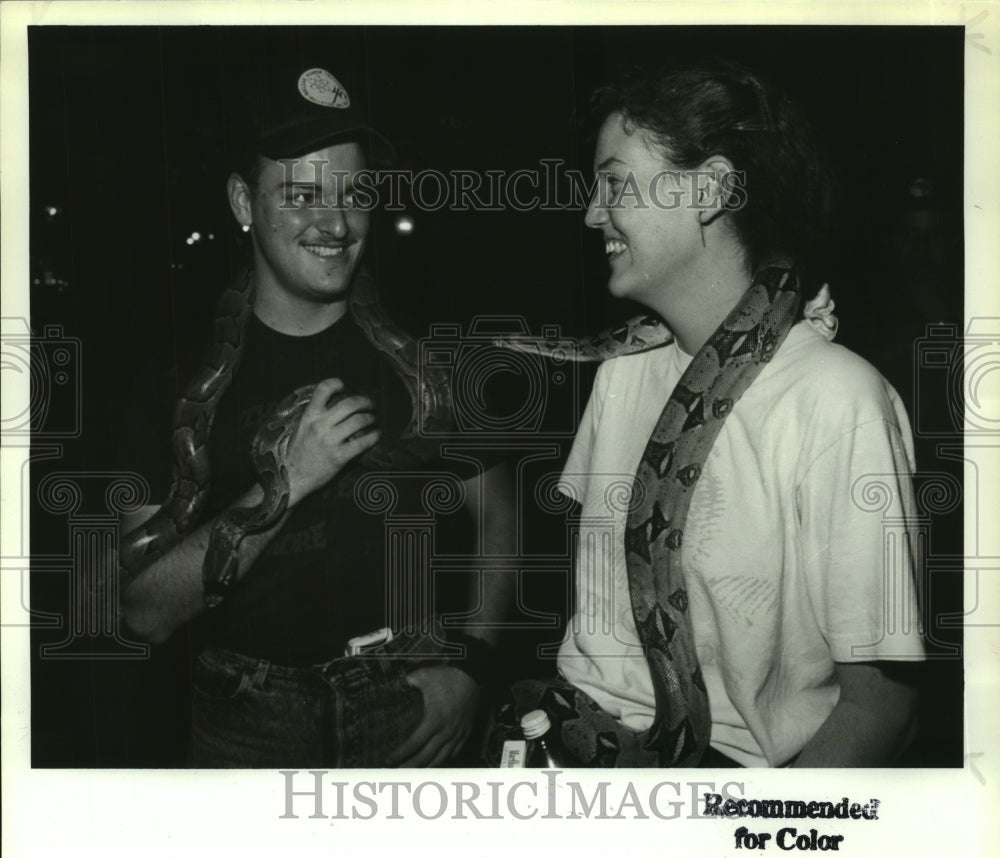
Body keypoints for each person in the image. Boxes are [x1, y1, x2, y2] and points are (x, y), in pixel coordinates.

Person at [526, 59, 924, 768]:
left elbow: (883, 705)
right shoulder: (620, 373)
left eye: (614, 182)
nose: (591, 213)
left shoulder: (839, 402)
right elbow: (601, 618)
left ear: (708, 190)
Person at [117, 60, 515, 768]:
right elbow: (145, 612)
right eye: (301, 195)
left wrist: (474, 666)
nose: (336, 223)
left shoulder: (426, 362)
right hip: (245, 724)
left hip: (410, 704)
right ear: (242, 201)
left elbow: (498, 517)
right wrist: (289, 479)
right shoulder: (170, 385)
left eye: (354, 194)